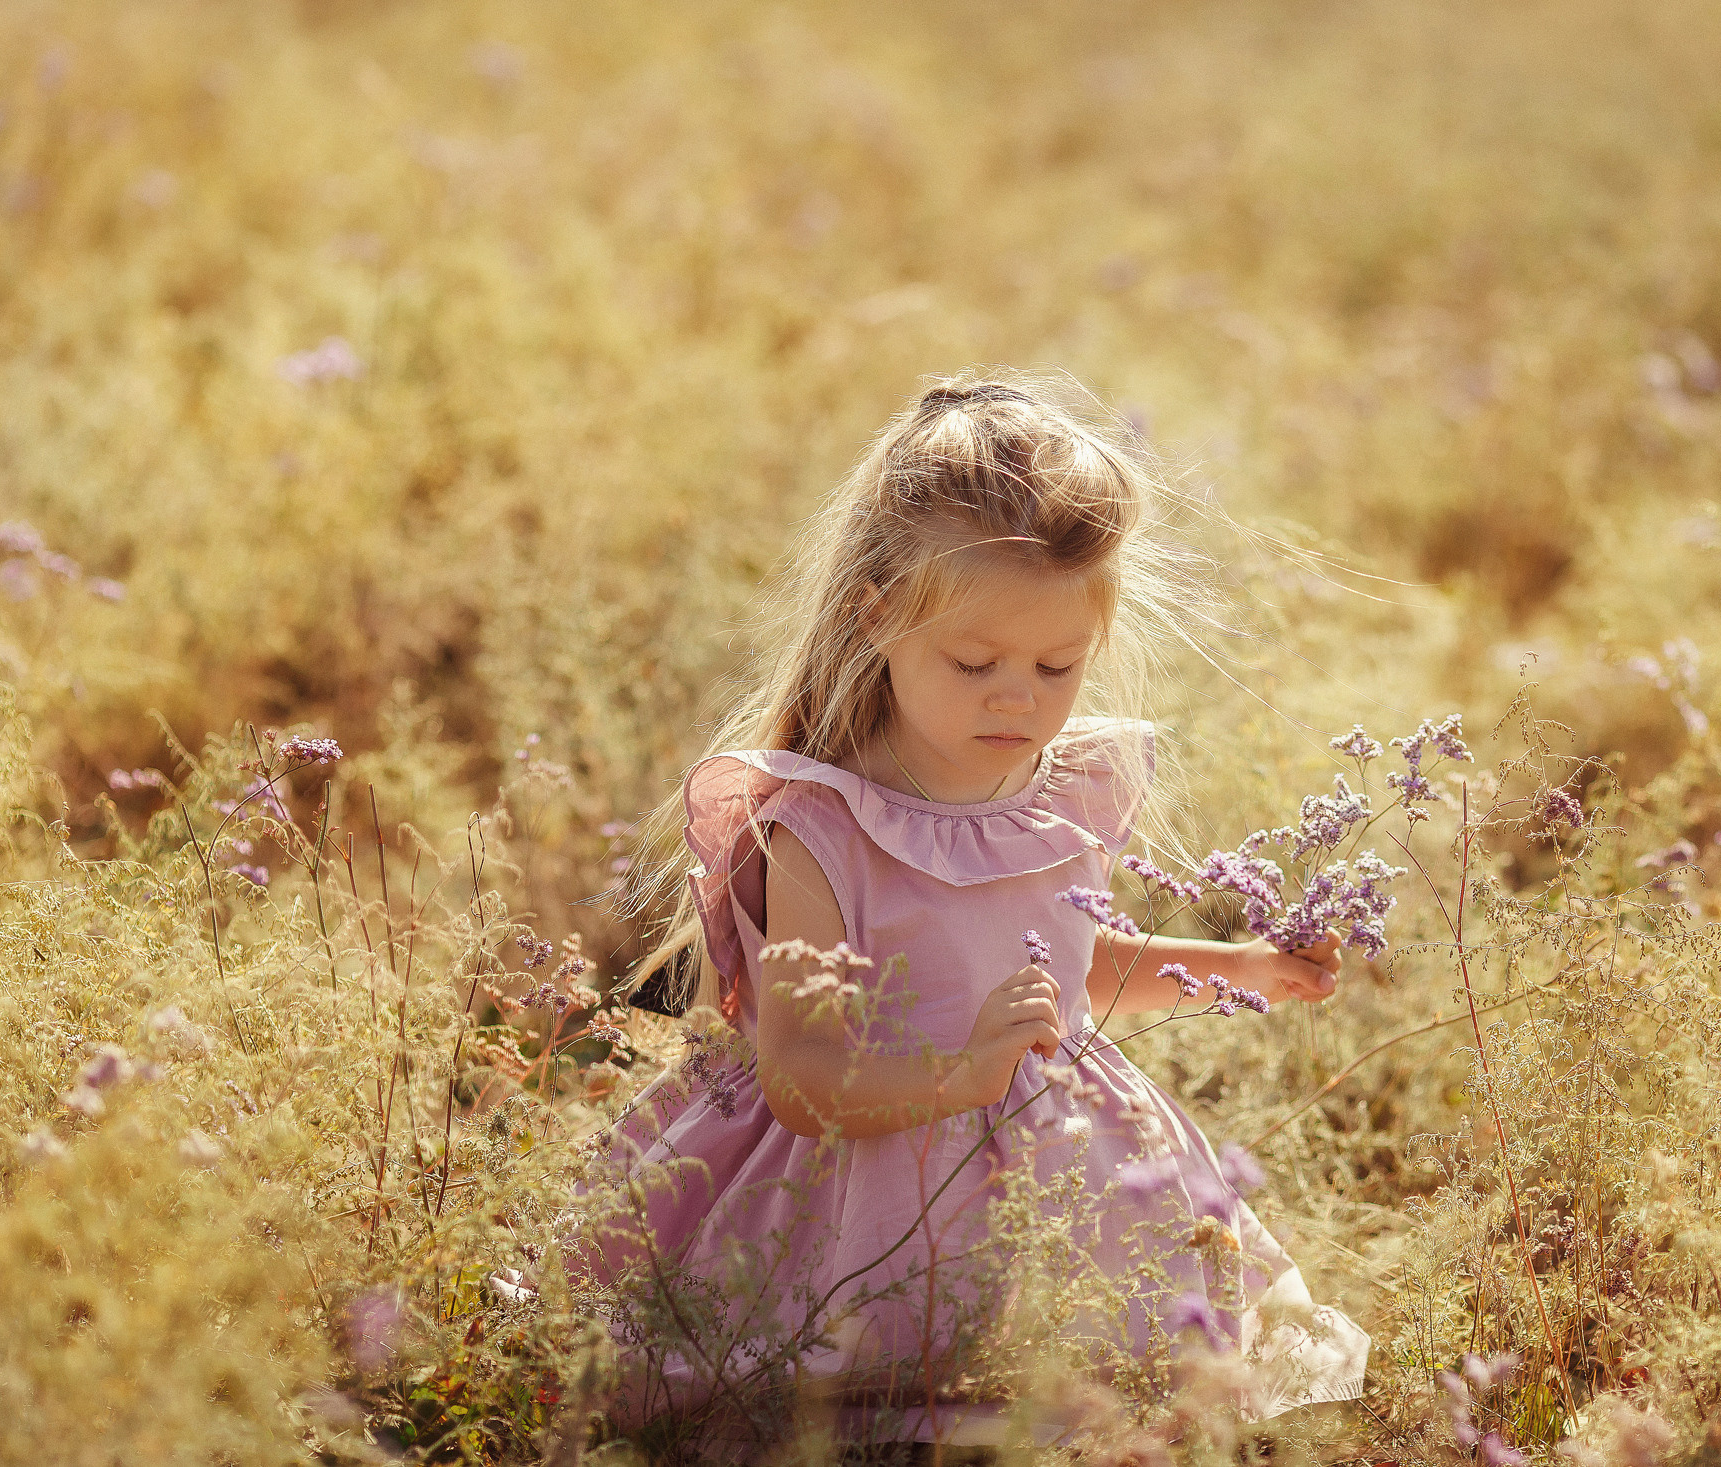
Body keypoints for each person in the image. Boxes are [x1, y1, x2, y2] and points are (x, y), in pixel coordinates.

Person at [575, 372, 1370, 1447]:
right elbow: (805, 1078)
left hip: (1056, 1168)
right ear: (878, 619)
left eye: (1057, 665)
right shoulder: (819, 827)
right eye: (974, 661)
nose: (1019, 698)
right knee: (825, 1388)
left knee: (1129, 1378)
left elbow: (1074, 969)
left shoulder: (1060, 792)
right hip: (860, 1180)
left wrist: (1240, 969)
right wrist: (963, 1077)